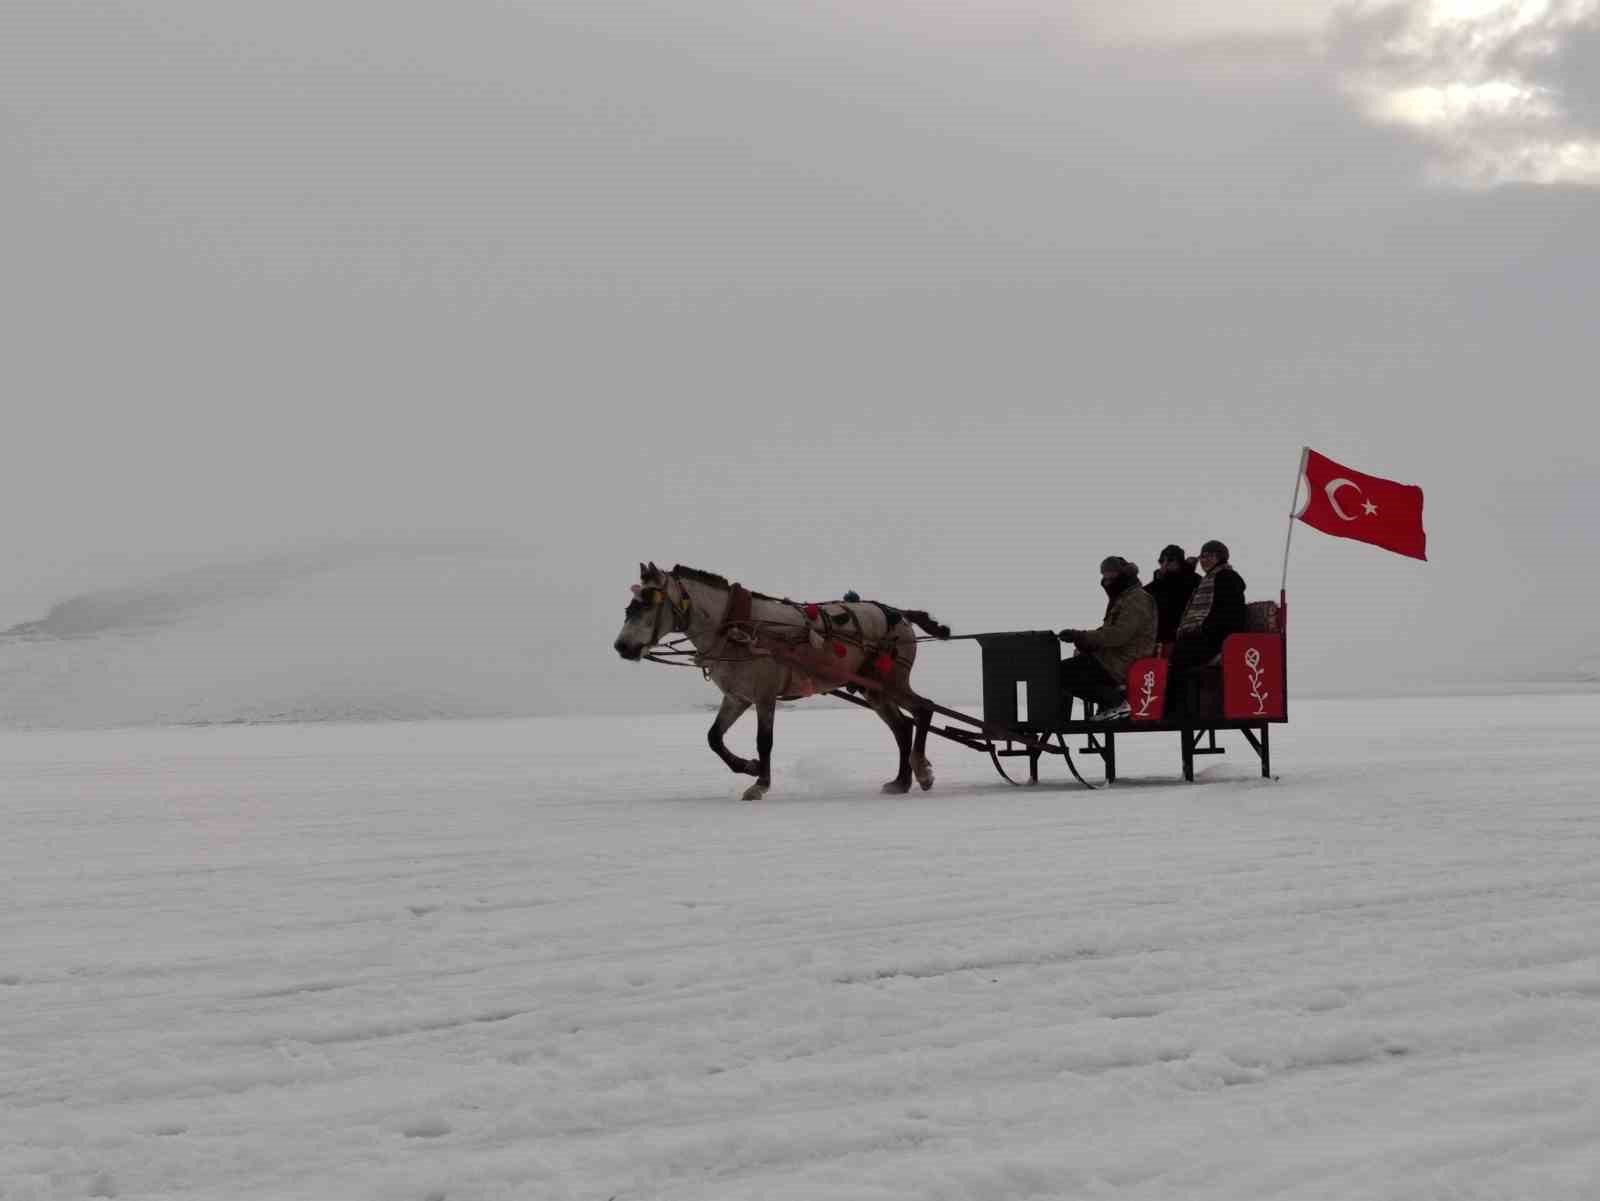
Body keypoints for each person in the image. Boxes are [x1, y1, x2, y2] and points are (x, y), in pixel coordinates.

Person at [1058, 556, 1157, 722]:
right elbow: (1109, 632)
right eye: (1105, 576)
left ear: (1124, 574)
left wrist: (1081, 635)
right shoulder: (1123, 598)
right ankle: (1111, 701)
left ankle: (1115, 701)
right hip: (1112, 658)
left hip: (1123, 662)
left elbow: (1118, 635)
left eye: (1112, 575)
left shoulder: (1137, 599)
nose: (1107, 580)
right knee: (1064, 670)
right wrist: (1084, 642)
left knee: (1059, 673)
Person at [1168, 540, 1248, 715]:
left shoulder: (1227, 577)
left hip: (1219, 640)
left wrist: (1202, 630)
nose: (1203, 560)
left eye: (1209, 556)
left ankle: (1178, 709)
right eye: (1202, 556)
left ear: (1220, 557)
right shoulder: (1208, 579)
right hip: (1208, 636)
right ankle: (1179, 707)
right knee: (1177, 650)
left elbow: (1230, 614)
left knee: (1180, 654)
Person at [1144, 543, 1200, 654]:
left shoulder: (1195, 582)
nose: (1165, 564)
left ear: (1180, 562)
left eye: (1170, 560)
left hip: (1184, 642)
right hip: (1155, 643)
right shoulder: (1152, 587)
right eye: (1161, 561)